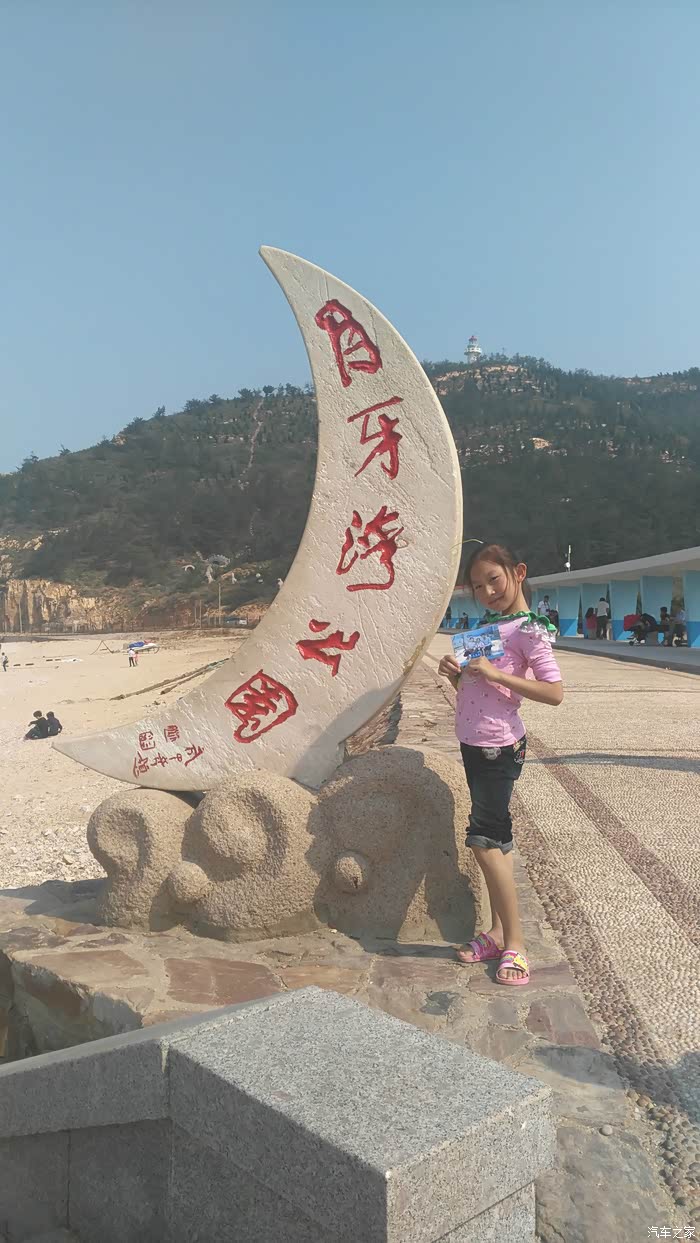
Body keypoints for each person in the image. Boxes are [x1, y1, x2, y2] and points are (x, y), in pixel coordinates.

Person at [438, 542, 563, 986]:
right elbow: (481, 694)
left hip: (498, 748)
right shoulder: (487, 629)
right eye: (477, 586)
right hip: (473, 743)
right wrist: (457, 676)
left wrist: (495, 673)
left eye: (494, 579)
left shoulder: (529, 630)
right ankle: (495, 934)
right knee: (499, 842)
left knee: (484, 842)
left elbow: (554, 692)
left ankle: (517, 944)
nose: (487, 591)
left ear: (518, 572)